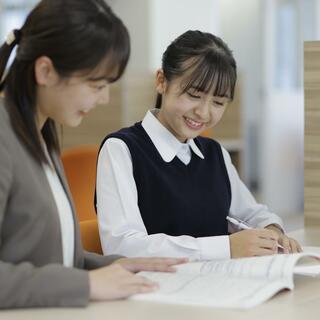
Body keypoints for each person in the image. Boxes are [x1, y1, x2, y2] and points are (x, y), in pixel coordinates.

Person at [0, 0, 186, 309]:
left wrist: (114, 266)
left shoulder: (39, 133)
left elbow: (48, 256)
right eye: (96, 84)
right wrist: (86, 283)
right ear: (45, 70)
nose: (104, 98)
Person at [96, 30, 302, 261]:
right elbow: (123, 246)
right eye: (194, 95)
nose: (203, 112)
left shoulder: (215, 154)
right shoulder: (121, 150)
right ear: (161, 81)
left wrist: (273, 230)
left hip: (218, 287)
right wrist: (226, 248)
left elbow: (253, 214)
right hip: (156, 290)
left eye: (218, 102)